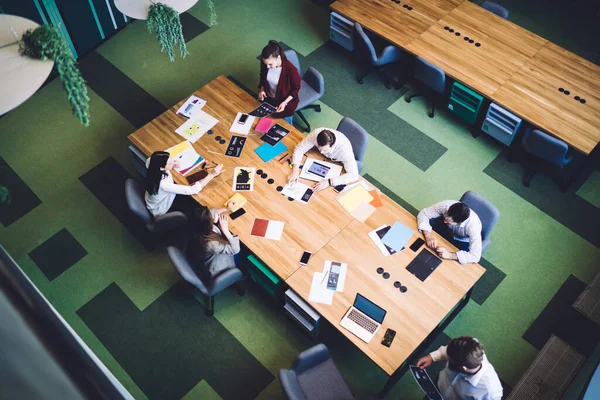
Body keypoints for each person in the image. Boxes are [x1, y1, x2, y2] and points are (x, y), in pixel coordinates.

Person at [416, 336, 503, 400]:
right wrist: (432, 357)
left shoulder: (491, 393)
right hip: (438, 387)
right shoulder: (470, 345)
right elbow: (448, 350)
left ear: (463, 368)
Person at [145, 151, 223, 218]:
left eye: (171, 159)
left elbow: (149, 160)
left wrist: (173, 163)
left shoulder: (152, 163)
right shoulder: (163, 183)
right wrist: (212, 175)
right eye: (170, 163)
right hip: (161, 208)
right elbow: (193, 190)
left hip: (157, 199)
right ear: (161, 168)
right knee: (197, 206)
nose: (173, 162)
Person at [287, 127, 359, 191]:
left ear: (333, 145)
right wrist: (295, 170)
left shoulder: (345, 151)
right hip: (320, 158)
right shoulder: (316, 134)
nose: (321, 152)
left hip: (339, 163)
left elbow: (354, 175)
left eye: (324, 150)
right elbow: (300, 148)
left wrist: (329, 181)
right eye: (319, 147)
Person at [416, 200, 482, 264]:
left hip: (462, 240)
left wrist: (450, 255)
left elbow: (475, 256)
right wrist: (428, 235)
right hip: (446, 229)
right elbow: (424, 213)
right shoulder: (446, 205)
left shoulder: (473, 227)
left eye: (448, 221)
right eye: (445, 216)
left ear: (459, 223)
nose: (444, 221)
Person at [187, 205, 240, 279]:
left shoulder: (197, 226)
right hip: (218, 267)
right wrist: (225, 230)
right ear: (207, 223)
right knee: (243, 252)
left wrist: (225, 208)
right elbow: (235, 249)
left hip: (208, 253)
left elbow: (210, 213)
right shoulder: (211, 243)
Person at [258, 40, 301, 126]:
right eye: (265, 64)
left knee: (286, 127)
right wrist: (262, 89)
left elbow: (296, 89)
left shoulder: (291, 70)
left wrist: (285, 103)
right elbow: (262, 77)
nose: (267, 67)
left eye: (270, 64)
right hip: (270, 100)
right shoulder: (265, 64)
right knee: (267, 125)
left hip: (285, 103)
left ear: (278, 58)